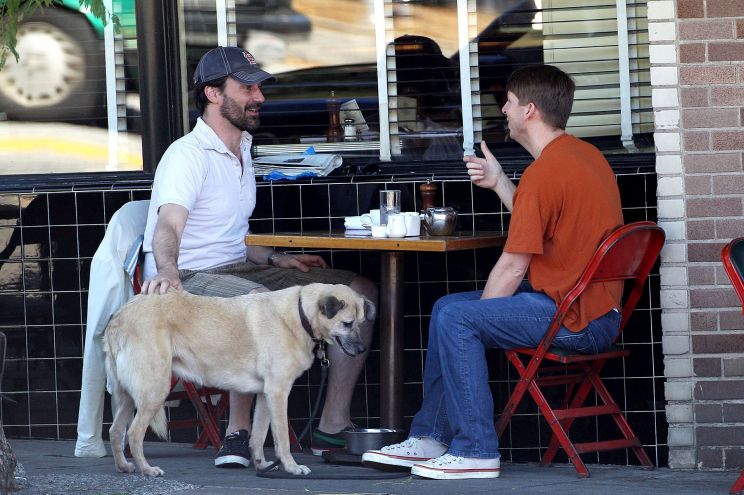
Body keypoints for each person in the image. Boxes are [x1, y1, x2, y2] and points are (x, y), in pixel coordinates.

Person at [362, 64, 623, 480]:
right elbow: (541, 222)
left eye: (510, 102)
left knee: (459, 317)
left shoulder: (545, 172)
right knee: (449, 307)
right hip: (594, 310)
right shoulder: (582, 156)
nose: (503, 109)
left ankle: (476, 451)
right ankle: (430, 437)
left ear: (530, 110)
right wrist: (501, 182)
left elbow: (515, 262)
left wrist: (477, 321)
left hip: (575, 319)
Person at [141, 46, 378, 468]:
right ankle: (238, 433)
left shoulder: (242, 147)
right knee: (258, 305)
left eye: (258, 88)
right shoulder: (187, 155)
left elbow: (230, 233)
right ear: (213, 94)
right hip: (192, 275)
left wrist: (276, 260)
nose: (259, 97)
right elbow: (169, 226)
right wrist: (168, 270)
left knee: (357, 292)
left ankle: (331, 427)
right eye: (247, 88)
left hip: (240, 266)